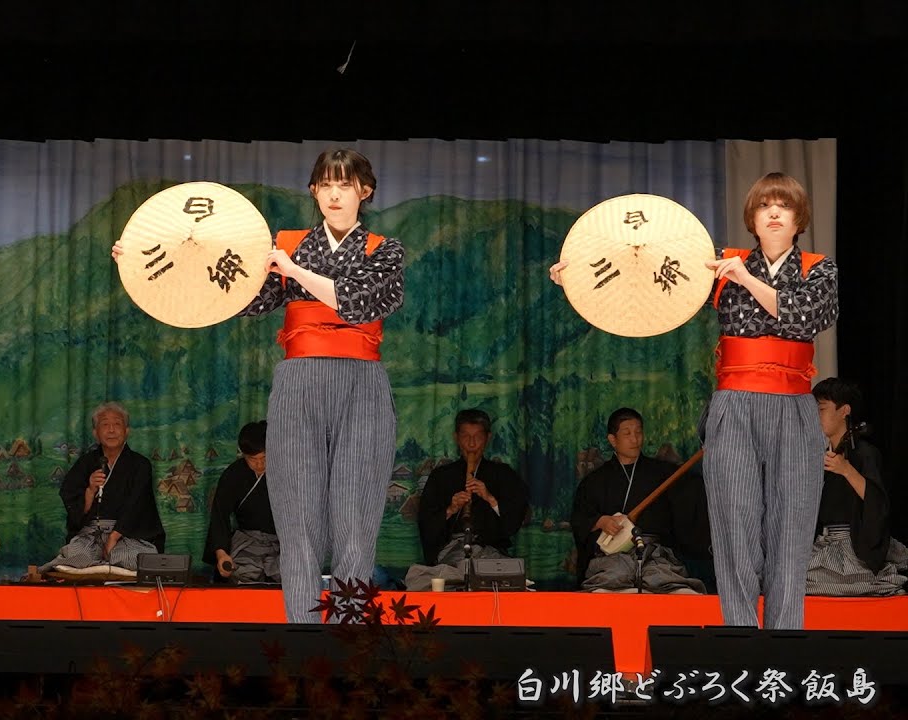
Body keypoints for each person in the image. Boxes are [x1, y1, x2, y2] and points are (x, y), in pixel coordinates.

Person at [112, 149, 403, 621]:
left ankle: (351, 639)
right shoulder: (286, 243)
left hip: (362, 382)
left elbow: (357, 302)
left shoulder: (384, 250)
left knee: (356, 521)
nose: (334, 194)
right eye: (326, 184)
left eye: (345, 184)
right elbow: (236, 294)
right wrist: (145, 264)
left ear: (364, 191)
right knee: (298, 523)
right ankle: (304, 637)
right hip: (298, 378)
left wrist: (294, 271)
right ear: (313, 190)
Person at [551, 172, 836, 628]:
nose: (774, 213)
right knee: (734, 527)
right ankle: (741, 637)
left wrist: (745, 279)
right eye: (765, 206)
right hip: (735, 403)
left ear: (799, 218)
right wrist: (579, 278)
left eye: (784, 206)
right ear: (752, 218)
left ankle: (784, 643)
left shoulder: (818, 269)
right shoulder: (722, 263)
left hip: (792, 403)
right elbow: (648, 274)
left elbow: (803, 319)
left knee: (792, 528)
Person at [569, 408, 708, 594]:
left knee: (681, 593)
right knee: (603, 591)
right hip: (613, 558)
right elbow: (580, 519)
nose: (635, 439)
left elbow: (691, 496)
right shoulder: (594, 482)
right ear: (612, 439)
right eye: (627, 434)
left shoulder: (663, 473)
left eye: (638, 432)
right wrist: (600, 521)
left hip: (655, 555)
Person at [406, 409, 528, 591]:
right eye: (465, 437)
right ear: (456, 438)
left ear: (488, 438)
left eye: (478, 437)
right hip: (451, 553)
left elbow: (513, 522)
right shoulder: (441, 476)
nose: (471, 444)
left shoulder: (503, 475)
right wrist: (451, 509)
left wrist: (490, 498)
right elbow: (426, 523)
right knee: (430, 578)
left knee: (506, 577)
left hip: (491, 553)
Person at [807, 378, 908, 596]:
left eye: (821, 409)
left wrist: (847, 470)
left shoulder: (864, 453)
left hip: (852, 547)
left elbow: (878, 503)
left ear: (844, 410)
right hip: (824, 545)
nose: (816, 416)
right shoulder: (825, 457)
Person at [41, 402, 165, 579]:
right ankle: (103, 567)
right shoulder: (85, 463)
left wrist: (114, 536)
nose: (111, 430)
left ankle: (99, 567)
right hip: (91, 536)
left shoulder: (140, 465)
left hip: (127, 536)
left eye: (117, 424)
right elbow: (73, 503)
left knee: (132, 558)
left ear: (127, 431)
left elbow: (136, 504)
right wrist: (90, 490)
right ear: (95, 433)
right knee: (75, 556)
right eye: (105, 424)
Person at [203, 420, 279, 584]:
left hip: (283, 542)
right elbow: (220, 516)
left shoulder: (286, 472)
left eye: (264, 457)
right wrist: (222, 554)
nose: (259, 464)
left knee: (292, 574)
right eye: (253, 459)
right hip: (247, 542)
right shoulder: (234, 475)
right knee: (239, 573)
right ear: (243, 455)